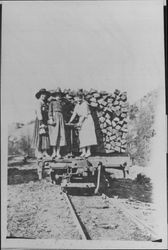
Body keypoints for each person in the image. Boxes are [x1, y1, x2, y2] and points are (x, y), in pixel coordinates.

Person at [68, 91, 97, 158]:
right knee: (82, 136)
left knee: (87, 135)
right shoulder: (77, 105)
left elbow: (84, 115)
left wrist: (80, 123)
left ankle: (88, 151)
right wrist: (70, 121)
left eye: (78, 98)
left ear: (81, 98)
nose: (76, 99)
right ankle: (83, 152)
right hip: (81, 120)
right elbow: (74, 114)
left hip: (87, 120)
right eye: (76, 98)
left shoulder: (85, 104)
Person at [48, 87, 66, 159]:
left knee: (60, 135)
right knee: (54, 136)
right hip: (54, 119)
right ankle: (54, 152)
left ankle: (58, 152)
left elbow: (64, 112)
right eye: (57, 95)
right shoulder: (52, 102)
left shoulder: (62, 103)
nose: (58, 97)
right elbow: (50, 111)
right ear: (55, 96)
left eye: (59, 95)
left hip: (60, 118)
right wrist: (51, 118)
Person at [32, 88, 50, 159]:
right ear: (40, 95)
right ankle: (38, 152)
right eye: (42, 94)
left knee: (45, 136)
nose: (44, 96)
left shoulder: (45, 103)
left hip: (45, 120)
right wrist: (41, 122)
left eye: (45, 95)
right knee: (39, 135)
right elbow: (38, 112)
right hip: (40, 120)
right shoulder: (38, 102)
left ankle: (45, 151)